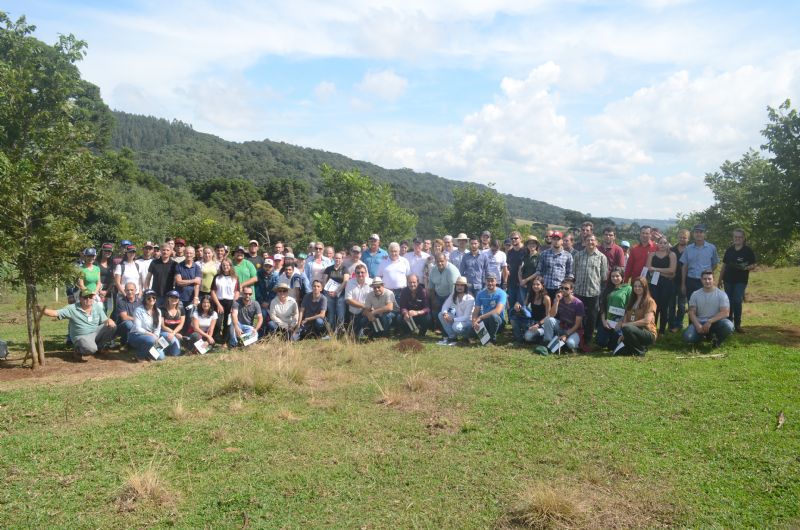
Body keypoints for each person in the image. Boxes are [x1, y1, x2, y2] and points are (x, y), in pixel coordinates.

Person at [40, 288, 117, 360]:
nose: (88, 299)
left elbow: (105, 320)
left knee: (112, 326)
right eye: (85, 297)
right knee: (91, 349)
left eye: (90, 297)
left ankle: (99, 348)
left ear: (93, 298)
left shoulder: (96, 306)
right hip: (81, 337)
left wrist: (109, 320)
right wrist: (40, 309)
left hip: (94, 333)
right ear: (80, 298)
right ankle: (78, 350)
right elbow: (55, 313)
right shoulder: (72, 308)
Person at [572, 235, 608, 350]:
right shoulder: (578, 255)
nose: (590, 242)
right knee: (578, 316)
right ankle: (577, 337)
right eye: (588, 240)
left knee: (592, 318)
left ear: (596, 242)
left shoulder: (602, 257)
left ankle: (587, 340)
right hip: (579, 292)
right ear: (584, 242)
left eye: (592, 240)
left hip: (593, 292)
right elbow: (574, 272)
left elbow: (603, 277)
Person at [682, 270, 734, 348]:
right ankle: (701, 337)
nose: (707, 281)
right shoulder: (695, 294)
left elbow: (725, 313)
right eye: (705, 279)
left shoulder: (721, 294)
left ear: (713, 279)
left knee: (729, 326)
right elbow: (691, 312)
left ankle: (717, 340)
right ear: (701, 280)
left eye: (709, 279)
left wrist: (710, 321)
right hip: (700, 322)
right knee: (688, 337)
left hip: (716, 322)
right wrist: (697, 325)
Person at [719, 228, 757, 333]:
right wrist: (719, 280)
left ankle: (738, 325)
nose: (737, 239)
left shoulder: (748, 250)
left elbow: (754, 264)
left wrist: (746, 268)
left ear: (743, 238)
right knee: (728, 301)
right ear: (733, 237)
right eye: (735, 237)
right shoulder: (729, 250)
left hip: (741, 280)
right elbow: (724, 266)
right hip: (728, 280)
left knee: (737, 300)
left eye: (739, 237)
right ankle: (728, 324)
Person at [128, 289, 179, 360]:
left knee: (167, 340)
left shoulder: (158, 311)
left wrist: (156, 336)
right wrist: (152, 335)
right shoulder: (138, 310)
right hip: (136, 336)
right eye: (148, 298)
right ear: (144, 299)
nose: (151, 299)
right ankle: (139, 356)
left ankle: (151, 351)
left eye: (153, 297)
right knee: (150, 340)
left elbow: (158, 328)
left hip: (153, 337)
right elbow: (137, 328)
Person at [615, 277, 657, 356]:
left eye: (640, 286)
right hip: (631, 331)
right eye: (635, 286)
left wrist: (628, 325)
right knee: (617, 352)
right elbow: (625, 319)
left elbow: (646, 321)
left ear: (645, 287)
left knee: (627, 328)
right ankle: (638, 347)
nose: (637, 288)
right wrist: (623, 335)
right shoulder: (631, 301)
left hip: (648, 333)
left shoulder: (650, 301)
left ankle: (640, 352)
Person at [645, 236, 677, 334]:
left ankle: (662, 331)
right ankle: (652, 329)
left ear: (668, 244)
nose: (662, 245)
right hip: (653, 284)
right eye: (660, 243)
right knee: (654, 307)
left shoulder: (672, 255)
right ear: (657, 244)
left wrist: (656, 269)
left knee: (664, 307)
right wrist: (664, 273)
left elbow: (672, 271)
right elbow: (648, 268)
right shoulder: (652, 254)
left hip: (667, 284)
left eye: (665, 243)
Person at [542, 279, 584, 352]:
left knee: (570, 344)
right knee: (548, 319)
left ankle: (566, 345)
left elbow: (577, 325)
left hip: (574, 330)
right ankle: (548, 343)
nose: (563, 290)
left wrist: (566, 335)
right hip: (562, 326)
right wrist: (556, 301)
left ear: (571, 290)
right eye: (561, 288)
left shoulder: (578, 303)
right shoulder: (559, 299)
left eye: (566, 288)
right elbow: (551, 315)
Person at [680, 224, 720, 300]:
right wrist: (683, 284)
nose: (699, 234)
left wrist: (708, 273)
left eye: (701, 232)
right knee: (692, 304)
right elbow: (684, 267)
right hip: (691, 280)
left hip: (705, 281)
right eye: (696, 232)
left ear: (704, 234)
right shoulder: (688, 249)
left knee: (706, 304)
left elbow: (715, 264)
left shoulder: (711, 248)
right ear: (693, 234)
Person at [595, 267, 631, 350]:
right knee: (601, 342)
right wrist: (604, 321)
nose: (615, 278)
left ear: (622, 277)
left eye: (617, 276)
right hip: (607, 321)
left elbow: (629, 308)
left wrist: (621, 322)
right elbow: (602, 307)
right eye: (612, 276)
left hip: (620, 322)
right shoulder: (607, 289)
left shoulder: (628, 289)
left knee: (612, 347)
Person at [437, 276, 475, 345]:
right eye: (458, 285)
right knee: (441, 314)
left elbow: (466, 317)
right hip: (457, 319)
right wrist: (445, 314)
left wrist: (453, 320)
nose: (459, 287)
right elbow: (445, 306)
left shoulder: (470, 299)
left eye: (462, 285)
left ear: (465, 287)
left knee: (456, 327)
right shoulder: (453, 295)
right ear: (455, 286)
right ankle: (453, 337)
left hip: (468, 322)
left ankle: (466, 337)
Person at [536, 231, 573, 299]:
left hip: (560, 289)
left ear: (562, 241)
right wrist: (539, 279)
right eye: (554, 239)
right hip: (545, 288)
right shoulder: (544, 254)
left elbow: (569, 273)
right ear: (551, 240)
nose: (556, 241)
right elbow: (539, 270)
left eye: (558, 239)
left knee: (557, 309)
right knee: (545, 309)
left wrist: (566, 287)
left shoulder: (568, 255)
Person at [471, 273, 506, 345]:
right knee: (470, 332)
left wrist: (480, 317)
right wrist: (474, 322)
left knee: (493, 316)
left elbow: (497, 311)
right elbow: (476, 310)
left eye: (492, 281)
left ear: (496, 281)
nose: (490, 283)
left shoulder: (502, 293)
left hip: (498, 322)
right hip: (486, 320)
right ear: (485, 282)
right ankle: (486, 340)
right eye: (488, 281)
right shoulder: (480, 294)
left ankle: (493, 339)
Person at [210, 258, 239, 342]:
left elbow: (237, 291)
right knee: (218, 323)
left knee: (227, 323)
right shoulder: (217, 277)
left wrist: (233, 304)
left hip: (230, 302)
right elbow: (212, 291)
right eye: (223, 265)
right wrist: (218, 304)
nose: (225, 267)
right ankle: (216, 339)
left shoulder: (235, 277)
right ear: (221, 266)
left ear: (230, 266)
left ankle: (225, 341)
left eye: (227, 265)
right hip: (219, 301)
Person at [427, 252, 460, 324]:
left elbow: (453, 292)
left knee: (448, 313)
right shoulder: (433, 270)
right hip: (438, 295)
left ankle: (450, 328)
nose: (439, 263)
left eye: (442, 261)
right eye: (437, 261)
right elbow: (431, 287)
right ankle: (439, 327)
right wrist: (434, 300)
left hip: (452, 296)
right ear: (435, 261)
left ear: (446, 260)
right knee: (435, 311)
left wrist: (446, 304)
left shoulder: (451, 271)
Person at [668, 229, 690, 332]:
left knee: (681, 306)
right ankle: (671, 325)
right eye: (680, 237)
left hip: (684, 281)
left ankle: (679, 324)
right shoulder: (672, 249)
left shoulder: (690, 250)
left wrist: (684, 284)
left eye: (684, 237)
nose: (682, 239)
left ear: (688, 239)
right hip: (672, 281)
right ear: (678, 238)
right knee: (671, 305)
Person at [323, 252, 350, 332]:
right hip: (329, 294)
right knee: (331, 312)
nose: (337, 260)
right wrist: (327, 291)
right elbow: (324, 281)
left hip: (341, 294)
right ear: (333, 258)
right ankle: (331, 331)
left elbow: (345, 281)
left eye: (339, 258)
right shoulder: (328, 269)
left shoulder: (345, 269)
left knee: (340, 312)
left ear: (342, 259)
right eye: (336, 258)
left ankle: (340, 330)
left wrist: (336, 291)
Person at [345, 264, 373, 336]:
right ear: (355, 273)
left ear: (366, 273)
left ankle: (372, 332)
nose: (360, 274)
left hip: (368, 312)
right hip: (354, 313)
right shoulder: (350, 282)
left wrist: (367, 308)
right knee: (356, 335)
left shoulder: (371, 282)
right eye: (358, 272)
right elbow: (348, 300)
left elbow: (375, 298)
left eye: (362, 272)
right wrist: (364, 306)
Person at [522, 276, 551, 344]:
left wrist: (538, 324)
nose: (535, 286)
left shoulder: (546, 298)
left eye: (538, 284)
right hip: (532, 321)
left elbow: (548, 316)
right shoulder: (531, 295)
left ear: (542, 286)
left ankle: (542, 337)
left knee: (527, 337)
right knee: (515, 319)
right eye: (534, 284)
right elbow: (524, 307)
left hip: (542, 324)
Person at [175, 245, 201, 315]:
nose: (189, 255)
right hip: (180, 298)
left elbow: (197, 284)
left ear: (194, 254)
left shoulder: (197, 267)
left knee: (190, 319)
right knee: (180, 317)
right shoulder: (178, 266)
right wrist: (193, 280)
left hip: (192, 299)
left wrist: (196, 297)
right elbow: (178, 282)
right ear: (184, 253)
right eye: (187, 253)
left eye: (191, 253)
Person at [160, 290, 185, 355]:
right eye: (172, 297)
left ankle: (166, 349)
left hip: (175, 334)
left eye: (176, 297)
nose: (174, 299)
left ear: (178, 299)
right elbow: (162, 326)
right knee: (156, 354)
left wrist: (174, 333)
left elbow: (181, 325)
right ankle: (156, 349)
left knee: (175, 354)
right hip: (164, 333)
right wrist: (174, 334)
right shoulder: (162, 309)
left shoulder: (181, 309)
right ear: (168, 298)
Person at [115, 282, 141, 346]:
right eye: (128, 290)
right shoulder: (121, 302)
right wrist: (137, 319)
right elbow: (124, 317)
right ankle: (127, 341)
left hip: (137, 324)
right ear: (125, 291)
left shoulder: (140, 301)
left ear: (135, 290)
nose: (129, 292)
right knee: (128, 323)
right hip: (122, 326)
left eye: (132, 290)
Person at [505, 231, 526, 309]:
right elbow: (507, 267)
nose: (513, 240)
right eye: (512, 239)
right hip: (511, 282)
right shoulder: (510, 252)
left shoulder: (526, 251)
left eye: (516, 238)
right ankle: (511, 321)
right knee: (510, 305)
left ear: (520, 239)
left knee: (521, 306)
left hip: (523, 283)